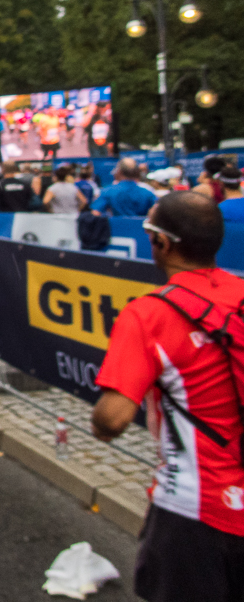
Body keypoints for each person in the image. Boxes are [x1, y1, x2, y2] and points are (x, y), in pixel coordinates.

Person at [92, 192, 244, 602]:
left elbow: (112, 419)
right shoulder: (241, 293)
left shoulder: (150, 314)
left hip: (195, 510)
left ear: (162, 242)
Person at [91, 158, 157, 218]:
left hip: (116, 229)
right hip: (142, 230)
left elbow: (95, 213)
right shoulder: (148, 193)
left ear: (119, 172)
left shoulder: (108, 191)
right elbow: (157, 211)